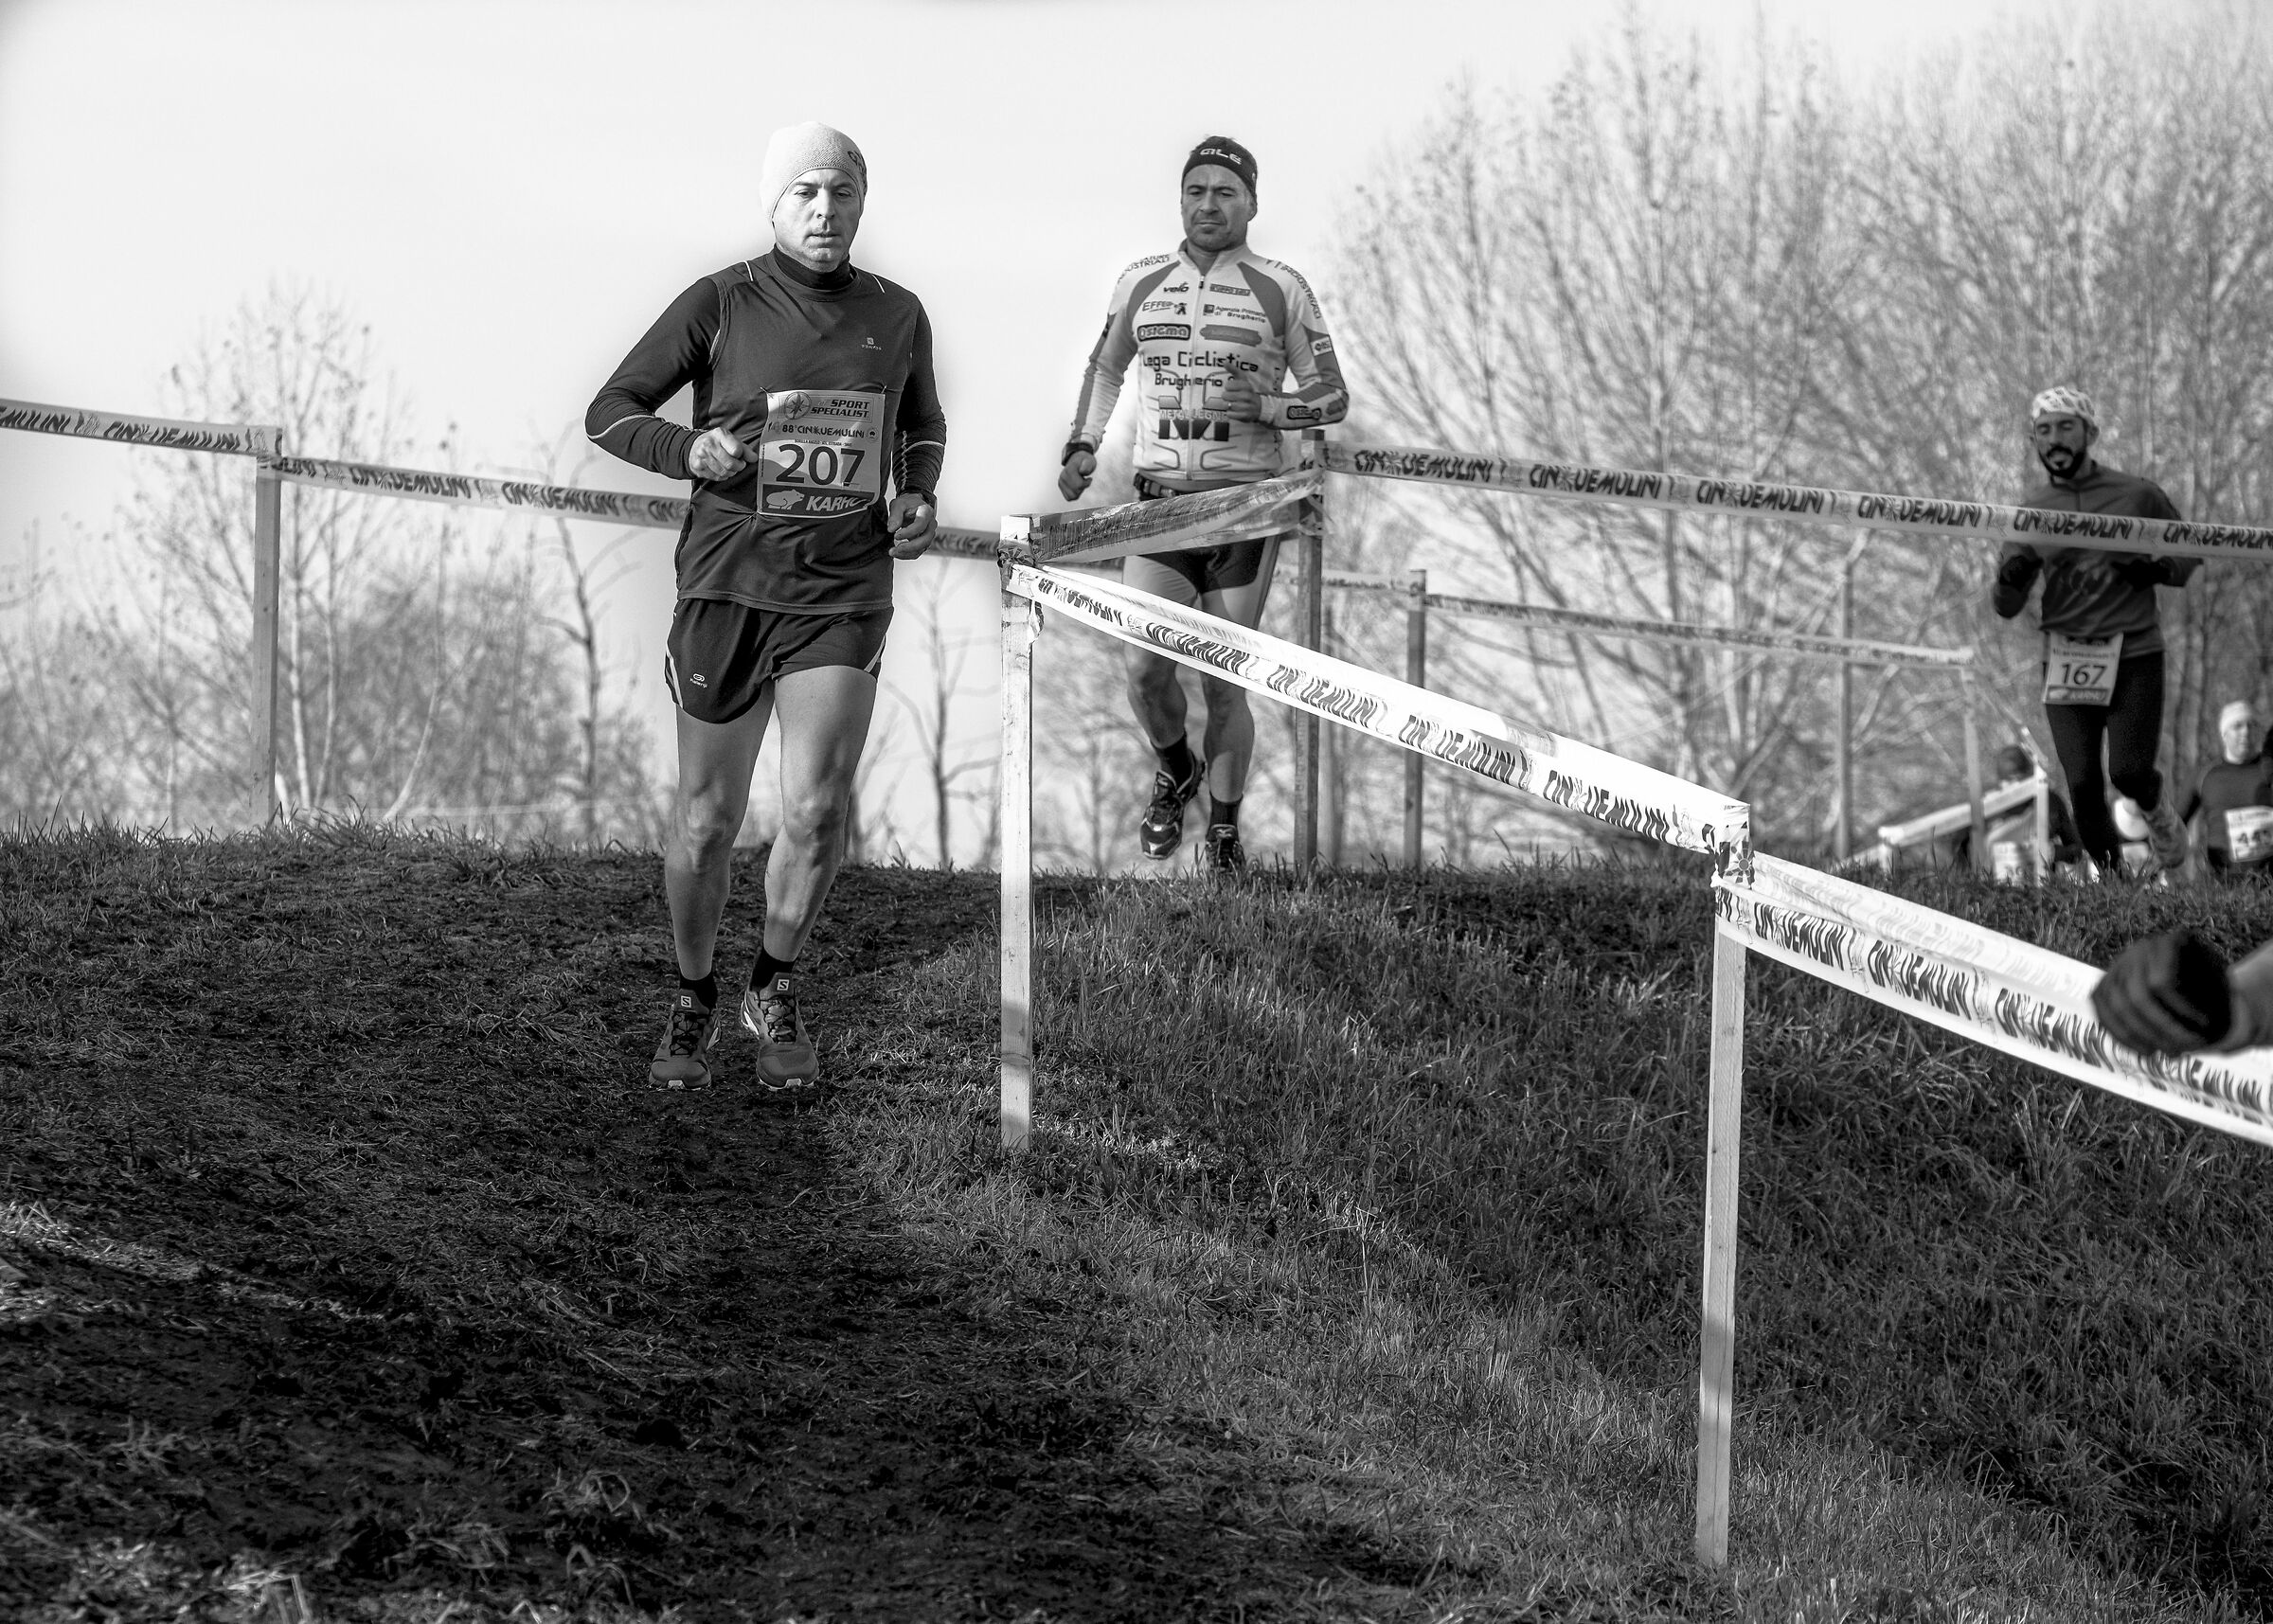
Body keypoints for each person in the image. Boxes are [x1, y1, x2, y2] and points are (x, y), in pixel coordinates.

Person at [585, 122, 944, 1094]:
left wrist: (917, 500)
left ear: (864, 202)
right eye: (806, 193)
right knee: (706, 819)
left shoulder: (898, 313)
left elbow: (921, 425)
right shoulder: (722, 299)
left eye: (842, 191)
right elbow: (611, 409)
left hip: (842, 586)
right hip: (726, 583)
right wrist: (685, 452)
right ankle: (693, 993)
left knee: (820, 804)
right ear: (775, 205)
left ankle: (774, 984)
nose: (825, 209)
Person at [1056, 136, 1349, 870]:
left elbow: (1333, 396)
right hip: (1158, 509)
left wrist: (1280, 410)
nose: (1209, 203)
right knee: (1144, 671)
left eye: (1225, 191)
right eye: (1196, 190)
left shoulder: (1282, 285)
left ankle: (1222, 829)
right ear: (1180, 200)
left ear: (1253, 203)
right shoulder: (1139, 282)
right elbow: (1104, 368)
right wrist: (1082, 446)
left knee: (1224, 678)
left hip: (1244, 510)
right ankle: (1174, 768)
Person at [1993, 386, 2198, 877]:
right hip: (2066, 656)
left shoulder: (2137, 493)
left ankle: (2157, 810)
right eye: (2044, 431)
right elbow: (2003, 606)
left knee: (2127, 771)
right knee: (2082, 782)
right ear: (2033, 441)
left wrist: (2154, 569)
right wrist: (2013, 579)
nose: (2055, 439)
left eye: (2066, 427)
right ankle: (2114, 882)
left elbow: (2190, 555)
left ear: (2091, 433)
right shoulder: (2033, 511)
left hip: (2134, 652)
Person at [1950, 743, 2082, 876]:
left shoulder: (2049, 801)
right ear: (2002, 783)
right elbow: (1957, 856)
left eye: (2026, 781)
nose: (2022, 788)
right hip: (1994, 886)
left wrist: (2054, 852)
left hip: (2042, 886)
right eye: (2014, 781)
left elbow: (2076, 852)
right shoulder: (1986, 807)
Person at [2175, 700, 2273, 878]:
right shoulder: (2204, 774)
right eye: (2238, 726)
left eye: (2251, 726)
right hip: (2222, 884)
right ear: (2224, 733)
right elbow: (2176, 824)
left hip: (2269, 883)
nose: (2246, 732)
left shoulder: (2269, 769)